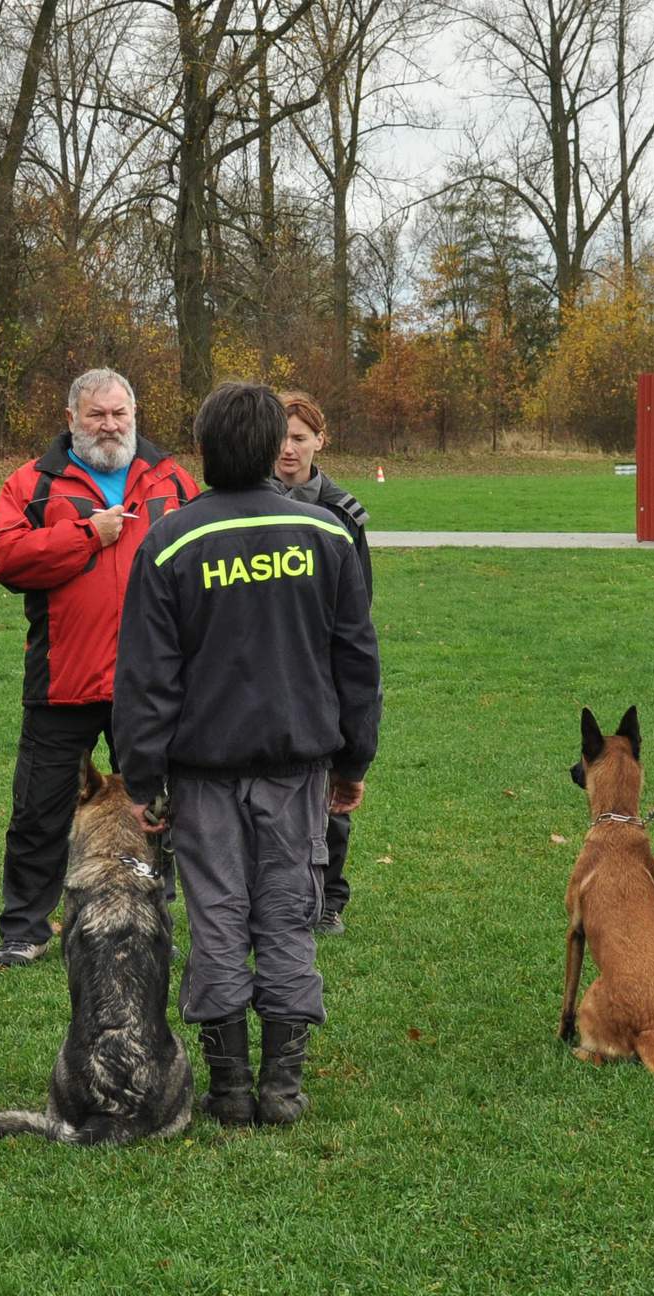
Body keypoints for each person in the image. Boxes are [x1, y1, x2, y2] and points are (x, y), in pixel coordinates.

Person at [114, 381, 381, 1127]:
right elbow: (357, 663)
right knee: (288, 915)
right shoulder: (325, 536)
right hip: (297, 770)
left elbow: (145, 676)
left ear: (201, 452)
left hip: (201, 776)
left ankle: (232, 1087)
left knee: (219, 918)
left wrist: (142, 776)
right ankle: (279, 1089)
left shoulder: (168, 541)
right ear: (274, 448)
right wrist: (355, 761)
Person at [0, 367, 199, 967]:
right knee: (38, 809)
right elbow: (4, 558)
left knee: (162, 809)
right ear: (71, 419)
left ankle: (159, 912)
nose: (109, 424)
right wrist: (85, 535)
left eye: (119, 413)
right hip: (63, 679)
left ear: (135, 416)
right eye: (96, 414)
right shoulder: (32, 484)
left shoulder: (173, 482)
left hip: (152, 683)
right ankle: (25, 928)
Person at [272, 390, 373, 936]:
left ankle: (329, 896)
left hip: (325, 670)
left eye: (299, 438)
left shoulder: (343, 513)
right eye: (281, 437)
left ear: (320, 441)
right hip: (268, 668)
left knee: (333, 791)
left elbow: (360, 607)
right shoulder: (249, 502)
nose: (288, 449)